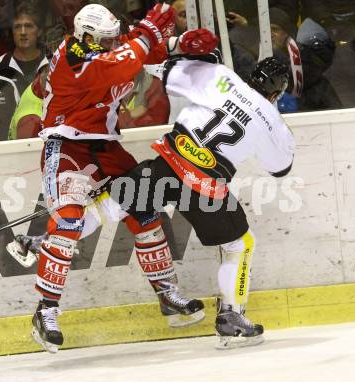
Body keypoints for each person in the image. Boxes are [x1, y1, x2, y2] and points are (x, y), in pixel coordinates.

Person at [30, 3, 219, 353]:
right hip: (68, 147)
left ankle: (166, 294)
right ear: (86, 36)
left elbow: (137, 51)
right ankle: (46, 311)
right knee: (69, 224)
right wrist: (147, 35)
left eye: (113, 39)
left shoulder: (107, 47)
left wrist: (178, 44)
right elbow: (117, 65)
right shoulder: (72, 54)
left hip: (106, 148)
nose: (112, 44)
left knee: (144, 208)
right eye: (105, 39)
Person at [109, 52, 295, 349]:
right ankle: (231, 317)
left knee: (115, 201)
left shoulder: (223, 77)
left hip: (170, 163)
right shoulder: (272, 119)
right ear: (275, 93)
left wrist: (191, 56)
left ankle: (54, 236)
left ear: (251, 77)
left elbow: (163, 70)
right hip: (205, 188)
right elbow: (281, 167)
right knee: (240, 243)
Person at [0, 2, 49, 95]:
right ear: (12, 31)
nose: (23, 32)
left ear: (39, 31)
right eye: (17, 27)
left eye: (28, 26)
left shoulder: (54, 63)